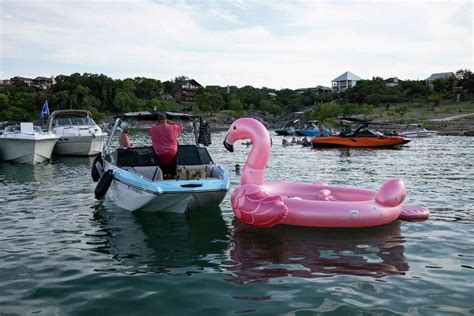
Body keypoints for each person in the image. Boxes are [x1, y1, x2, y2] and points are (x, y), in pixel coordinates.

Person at [148, 112, 183, 178]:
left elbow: (149, 132)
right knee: (173, 166)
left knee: (161, 166)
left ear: (158, 120)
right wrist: (172, 122)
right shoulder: (174, 127)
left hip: (159, 153)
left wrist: (157, 124)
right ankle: (172, 176)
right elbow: (181, 127)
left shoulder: (153, 129)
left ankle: (162, 176)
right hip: (172, 152)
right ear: (166, 119)